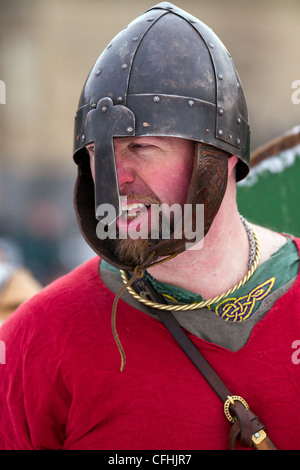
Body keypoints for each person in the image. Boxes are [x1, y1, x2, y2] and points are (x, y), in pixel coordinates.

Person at [0, 2, 299, 451]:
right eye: (102, 152)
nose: (115, 177)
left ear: (221, 159)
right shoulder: (35, 341)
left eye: (141, 146)